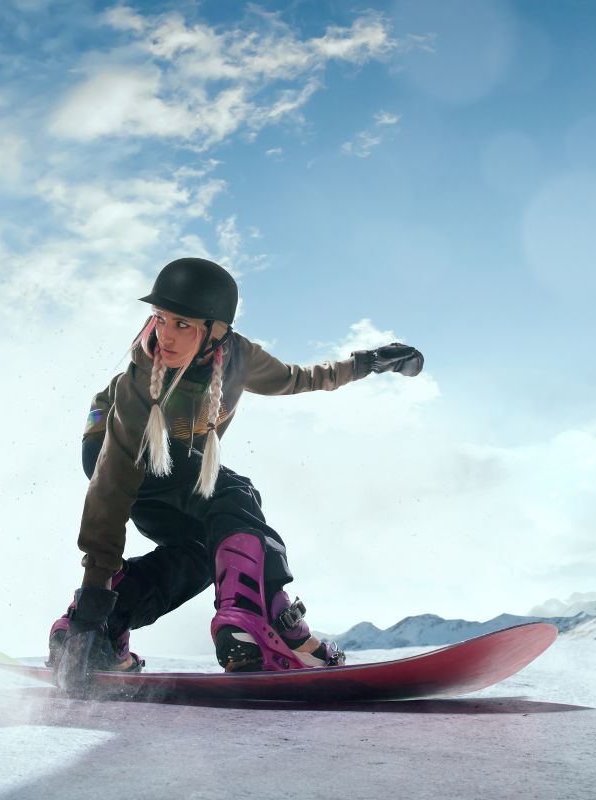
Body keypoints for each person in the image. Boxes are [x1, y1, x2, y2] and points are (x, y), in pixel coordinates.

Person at [48, 257, 423, 693]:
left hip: (174, 471)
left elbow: (297, 378)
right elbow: (110, 492)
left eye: (182, 324)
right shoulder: (138, 386)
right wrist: (94, 588)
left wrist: (368, 363)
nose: (165, 335)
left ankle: (108, 630)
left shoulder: (240, 357)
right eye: (160, 319)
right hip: (114, 456)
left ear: (217, 331)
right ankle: (252, 625)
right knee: (234, 495)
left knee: (205, 550)